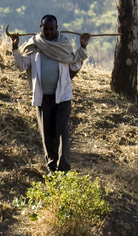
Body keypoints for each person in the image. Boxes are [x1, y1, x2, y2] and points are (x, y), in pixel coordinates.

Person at [11, 14, 91, 174]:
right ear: (41, 28)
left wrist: (82, 47)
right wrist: (15, 48)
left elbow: (74, 66)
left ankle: (64, 169)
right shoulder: (34, 45)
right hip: (43, 97)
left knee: (61, 131)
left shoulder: (63, 45)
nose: (48, 31)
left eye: (51, 28)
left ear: (56, 28)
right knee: (47, 133)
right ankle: (52, 168)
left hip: (62, 96)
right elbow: (22, 65)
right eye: (45, 28)